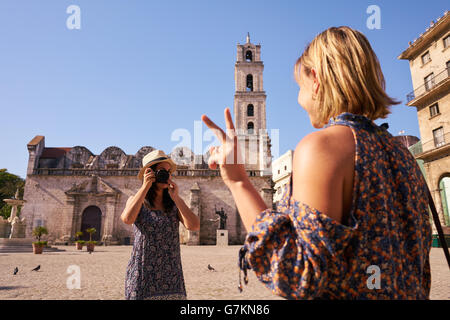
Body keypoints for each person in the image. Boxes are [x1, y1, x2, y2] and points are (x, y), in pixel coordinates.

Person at [201, 26, 432, 299]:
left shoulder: (322, 147)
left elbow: (299, 275)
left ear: (316, 80)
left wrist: (238, 181)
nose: (298, 99)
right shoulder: (402, 155)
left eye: (299, 84)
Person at [121, 150, 200, 300]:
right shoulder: (136, 200)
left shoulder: (174, 205)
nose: (167, 175)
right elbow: (127, 219)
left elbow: (194, 226)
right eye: (162, 171)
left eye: (169, 172)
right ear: (149, 172)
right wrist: (145, 187)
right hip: (142, 275)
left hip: (171, 276)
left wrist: (176, 197)